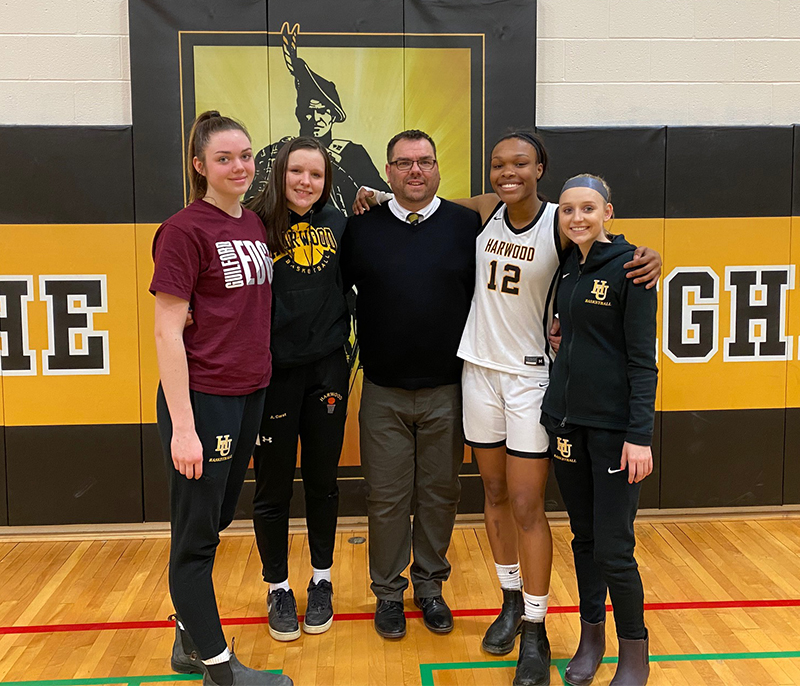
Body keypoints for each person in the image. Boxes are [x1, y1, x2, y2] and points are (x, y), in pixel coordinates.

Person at [354, 130, 660, 686]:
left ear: (540, 167)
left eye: (520, 162)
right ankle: (511, 600)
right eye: (498, 164)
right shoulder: (483, 212)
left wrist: (644, 256)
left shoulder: (558, 225)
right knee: (493, 493)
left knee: (526, 503)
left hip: (530, 378)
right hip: (477, 370)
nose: (507, 171)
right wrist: (376, 197)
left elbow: (601, 242)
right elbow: (421, 204)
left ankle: (537, 633)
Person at [151, 111, 291, 686]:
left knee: (216, 519)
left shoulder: (254, 225)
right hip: (203, 401)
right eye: (225, 158)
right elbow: (166, 331)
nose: (239, 166)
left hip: (249, 392)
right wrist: (184, 427)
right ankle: (218, 669)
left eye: (246, 156)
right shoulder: (184, 231)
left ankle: (189, 642)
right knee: (196, 538)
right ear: (200, 165)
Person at [340, 129, 481, 640]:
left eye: (424, 161)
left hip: (449, 388)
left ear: (438, 167)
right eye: (403, 164)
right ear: (388, 171)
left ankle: (431, 587)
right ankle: (387, 594)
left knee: (441, 495)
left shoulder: (468, 225)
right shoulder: (361, 228)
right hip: (383, 391)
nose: (415, 171)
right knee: (387, 498)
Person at [541, 175, 656, 686]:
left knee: (614, 547)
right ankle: (591, 638)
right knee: (583, 539)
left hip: (614, 432)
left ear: (608, 210)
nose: (577, 218)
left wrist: (640, 435)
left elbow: (642, 362)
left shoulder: (634, 268)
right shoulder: (569, 264)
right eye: (567, 210)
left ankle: (635, 654)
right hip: (567, 423)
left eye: (588, 208)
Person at [246, 136, 350, 641]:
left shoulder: (339, 223)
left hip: (327, 368)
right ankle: (278, 586)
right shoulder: (252, 225)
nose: (306, 182)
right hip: (273, 373)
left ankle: (323, 579)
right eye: (297, 172)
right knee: (272, 487)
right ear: (280, 173)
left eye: (316, 174)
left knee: (323, 480)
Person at [244, 22, 389, 215]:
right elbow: (251, 208)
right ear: (299, 114)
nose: (315, 118)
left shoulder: (351, 153)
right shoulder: (273, 153)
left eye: (323, 111)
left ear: (334, 116)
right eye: (309, 111)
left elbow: (384, 199)